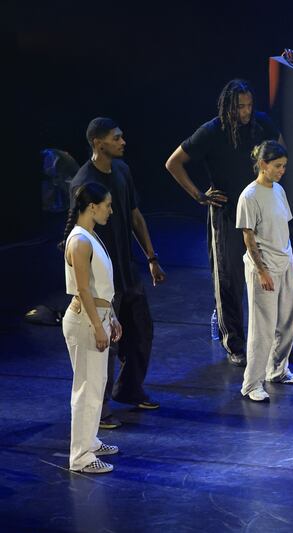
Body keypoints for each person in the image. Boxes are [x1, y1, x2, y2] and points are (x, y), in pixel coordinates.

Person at [165, 79, 282, 368]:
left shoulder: (261, 124)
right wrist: (199, 196)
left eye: (249, 105)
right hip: (227, 212)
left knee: (266, 273)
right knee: (228, 278)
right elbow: (173, 163)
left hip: (259, 208)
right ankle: (235, 343)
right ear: (227, 107)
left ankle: (272, 341)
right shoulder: (211, 131)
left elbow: (280, 152)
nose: (245, 112)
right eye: (239, 107)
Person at [71, 118, 164, 430]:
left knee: (141, 330)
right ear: (98, 143)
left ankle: (129, 389)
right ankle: (99, 408)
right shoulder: (85, 183)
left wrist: (151, 256)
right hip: (101, 280)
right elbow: (75, 237)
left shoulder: (122, 172)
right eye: (116, 138)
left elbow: (135, 214)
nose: (123, 141)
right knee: (105, 344)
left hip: (127, 271)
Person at [60, 182, 123, 473]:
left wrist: (112, 318)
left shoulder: (90, 236)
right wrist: (99, 327)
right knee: (87, 388)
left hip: (96, 316)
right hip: (85, 320)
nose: (110, 210)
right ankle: (81, 457)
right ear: (92, 207)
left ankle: (90, 441)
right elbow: (84, 291)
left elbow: (100, 287)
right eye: (107, 205)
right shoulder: (80, 241)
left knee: (97, 385)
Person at [236, 141, 293, 402]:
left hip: (284, 262)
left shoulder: (279, 190)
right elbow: (249, 239)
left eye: (284, 166)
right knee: (262, 327)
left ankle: (277, 370)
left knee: (286, 321)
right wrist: (262, 271)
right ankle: (252, 383)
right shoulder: (249, 196)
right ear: (263, 165)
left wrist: (292, 262)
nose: (281, 171)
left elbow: (283, 230)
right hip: (264, 267)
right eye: (277, 166)